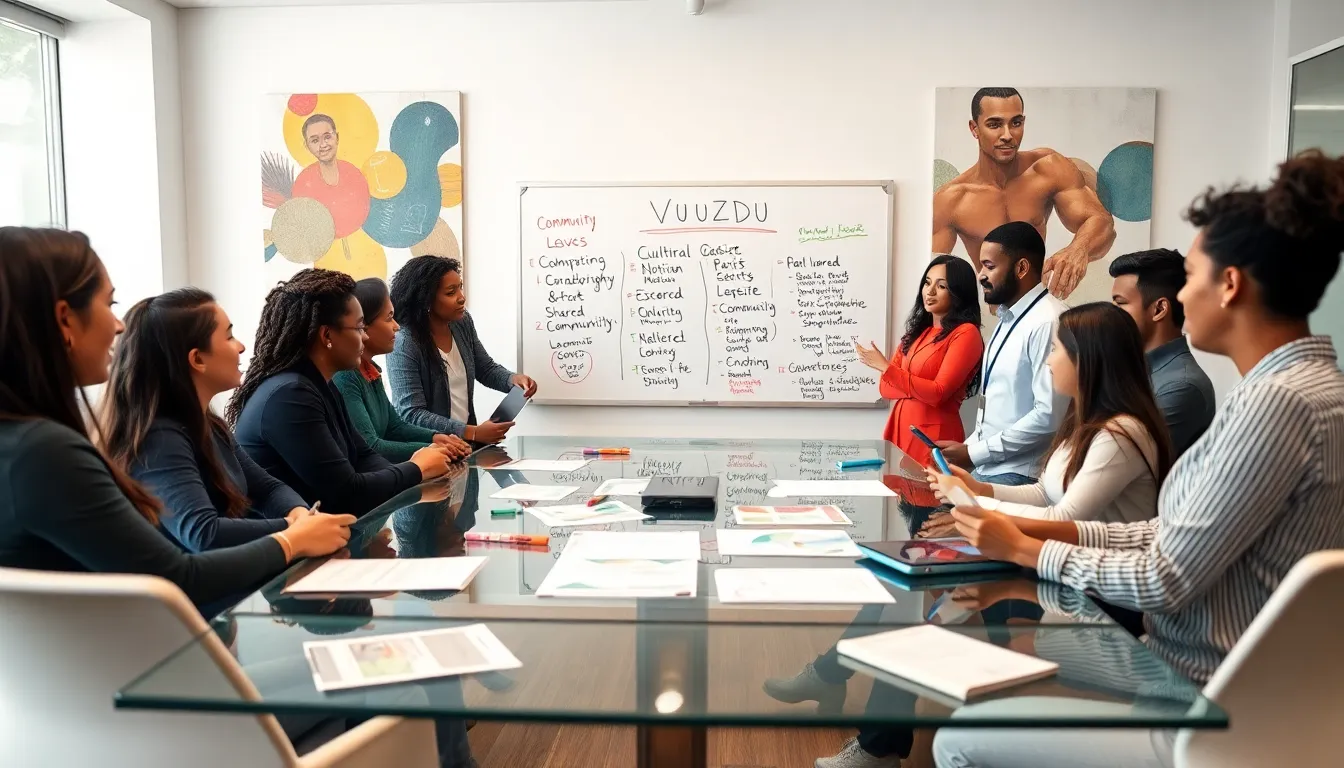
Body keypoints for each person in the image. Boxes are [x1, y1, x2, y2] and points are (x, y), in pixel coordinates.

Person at [933, 150, 1344, 768]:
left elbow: (1164, 578)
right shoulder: (1308, 390)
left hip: (1195, 699)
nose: (1178, 297)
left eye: (1192, 276)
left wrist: (1025, 548)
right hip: (1212, 677)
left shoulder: (1278, 404)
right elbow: (1164, 536)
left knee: (958, 733)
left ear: (1229, 285)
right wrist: (1017, 527)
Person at [0, 227, 355, 613]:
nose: (118, 326)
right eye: (109, 303)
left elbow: (265, 488)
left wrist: (296, 524)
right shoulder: (44, 453)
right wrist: (292, 539)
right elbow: (180, 576)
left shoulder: (26, 446)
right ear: (65, 320)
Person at [101, 288, 329, 553]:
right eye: (229, 336)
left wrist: (300, 515)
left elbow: (267, 489)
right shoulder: (159, 438)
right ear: (197, 359)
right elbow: (202, 533)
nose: (241, 346)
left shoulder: (208, 424)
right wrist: (293, 529)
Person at [227, 268, 453, 516]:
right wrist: (416, 469)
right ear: (327, 335)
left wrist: (417, 468)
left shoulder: (319, 384)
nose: (364, 337)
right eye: (358, 328)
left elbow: (364, 456)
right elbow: (346, 492)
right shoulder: (290, 395)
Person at [931, 302, 1172, 525]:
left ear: (1086, 360)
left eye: (1055, 349)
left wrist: (971, 501)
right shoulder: (1080, 422)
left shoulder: (1119, 434)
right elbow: (1044, 493)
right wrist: (978, 489)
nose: (1048, 361)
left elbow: (1063, 517)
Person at [932, 87, 1116, 299]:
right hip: (993, 314)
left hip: (1040, 303)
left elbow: (1102, 223)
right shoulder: (952, 199)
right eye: (995, 125)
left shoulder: (1047, 168)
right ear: (974, 129)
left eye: (1016, 123)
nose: (1008, 135)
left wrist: (1079, 249)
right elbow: (932, 276)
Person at [936, 221, 1068, 488]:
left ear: (1021, 268)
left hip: (1020, 474)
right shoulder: (1007, 318)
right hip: (989, 466)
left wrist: (974, 453)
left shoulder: (1048, 321)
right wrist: (967, 448)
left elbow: (1049, 414)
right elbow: (999, 407)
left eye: (990, 266)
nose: (981, 275)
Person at [388, 255, 536, 444]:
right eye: (451, 293)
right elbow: (411, 414)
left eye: (460, 287)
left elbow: (486, 369)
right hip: (430, 450)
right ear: (426, 300)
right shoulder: (404, 343)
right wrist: (471, 432)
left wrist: (512, 380)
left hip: (464, 447)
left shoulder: (462, 322)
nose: (461, 298)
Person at [854, 254, 983, 469]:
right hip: (900, 432)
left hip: (933, 438)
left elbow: (938, 393)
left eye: (941, 286)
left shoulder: (966, 334)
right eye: (927, 282)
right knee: (899, 500)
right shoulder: (916, 333)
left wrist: (887, 368)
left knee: (929, 500)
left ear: (958, 292)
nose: (930, 292)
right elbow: (885, 388)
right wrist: (920, 388)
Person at [335, 277, 473, 463]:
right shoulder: (345, 377)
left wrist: (435, 437)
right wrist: (432, 448)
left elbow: (394, 426)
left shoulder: (370, 370)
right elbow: (371, 446)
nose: (397, 326)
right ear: (363, 325)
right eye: (389, 318)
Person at [1109, 248, 1217, 457]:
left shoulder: (1182, 386)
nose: (1110, 313)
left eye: (1120, 303)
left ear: (1159, 309)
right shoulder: (1133, 370)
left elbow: (1120, 461)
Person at [302, 113, 341, 186]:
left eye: (327, 137)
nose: (323, 145)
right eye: (315, 141)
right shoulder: (303, 181)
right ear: (307, 145)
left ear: (337, 137)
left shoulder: (354, 174)